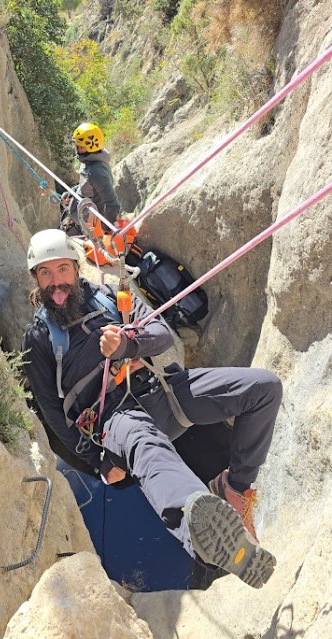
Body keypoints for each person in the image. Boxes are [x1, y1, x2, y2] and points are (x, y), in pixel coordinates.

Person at [22, 229, 282, 588]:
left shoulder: (111, 296)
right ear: (35, 278)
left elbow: (160, 333)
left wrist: (127, 343)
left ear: (76, 268)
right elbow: (52, 413)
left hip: (161, 391)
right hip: (114, 417)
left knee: (263, 388)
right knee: (150, 450)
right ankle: (203, 529)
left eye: (62, 269)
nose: (56, 282)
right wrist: (97, 461)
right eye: (46, 274)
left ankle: (234, 486)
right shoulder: (38, 338)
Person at [61, 123, 121, 236]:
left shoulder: (96, 172)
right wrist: (71, 193)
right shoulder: (88, 160)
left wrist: (102, 231)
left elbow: (113, 205)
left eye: (80, 146)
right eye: (77, 145)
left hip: (88, 228)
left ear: (91, 147)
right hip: (79, 217)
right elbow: (87, 187)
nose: (77, 149)